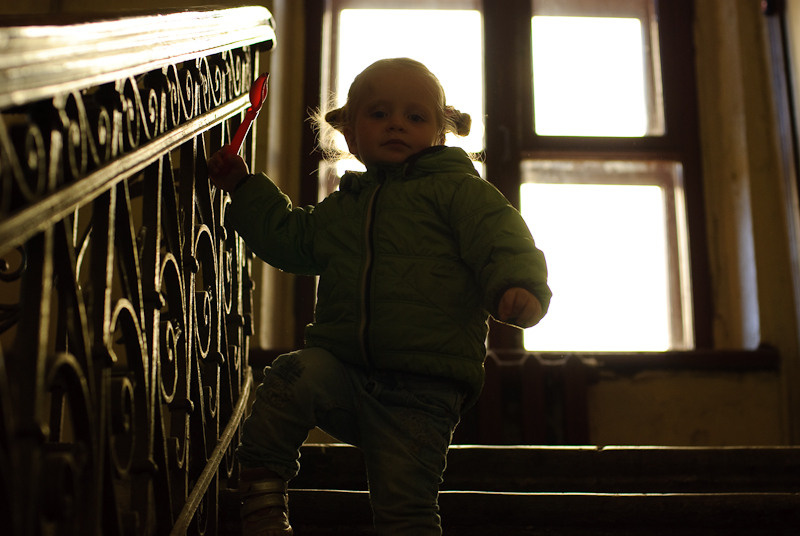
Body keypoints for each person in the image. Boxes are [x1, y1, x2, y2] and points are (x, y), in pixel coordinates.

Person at [207, 57, 551, 536]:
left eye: (415, 116)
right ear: (349, 133)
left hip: (423, 388)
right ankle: (262, 500)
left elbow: (501, 239)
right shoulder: (346, 207)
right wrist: (243, 187)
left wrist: (519, 285)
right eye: (379, 114)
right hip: (345, 372)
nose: (396, 124)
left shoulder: (460, 193)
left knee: (404, 511)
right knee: (293, 374)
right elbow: (289, 238)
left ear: (441, 133)